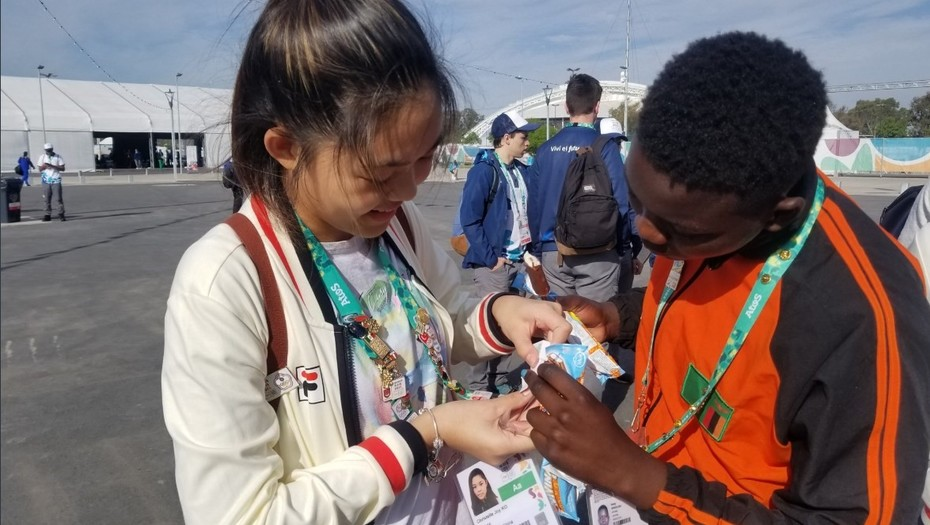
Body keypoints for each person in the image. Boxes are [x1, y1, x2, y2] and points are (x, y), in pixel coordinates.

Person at [161, 1, 570, 524]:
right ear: (286, 147)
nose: (409, 188)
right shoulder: (225, 281)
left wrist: (500, 314)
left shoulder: (395, 224)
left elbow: (443, 323)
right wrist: (423, 435)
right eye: (380, 171)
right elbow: (241, 515)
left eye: (424, 157)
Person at [521, 32, 930, 523]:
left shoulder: (867, 320)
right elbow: (698, 303)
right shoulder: (707, 213)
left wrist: (634, 475)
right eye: (637, 199)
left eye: (679, 231)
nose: (646, 232)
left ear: (777, 216)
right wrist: (617, 315)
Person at [528, 74, 633, 302]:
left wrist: (538, 249)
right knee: (597, 319)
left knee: (560, 318)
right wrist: (623, 246)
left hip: (553, 250)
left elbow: (534, 207)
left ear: (566, 106)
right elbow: (621, 203)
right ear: (597, 106)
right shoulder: (605, 148)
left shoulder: (545, 150)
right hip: (599, 252)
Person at [458, 110, 540, 396]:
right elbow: (469, 219)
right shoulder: (485, 171)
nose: (527, 142)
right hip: (494, 264)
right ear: (506, 138)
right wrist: (491, 258)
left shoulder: (520, 171)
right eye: (523, 137)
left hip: (519, 261)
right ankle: (478, 386)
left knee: (509, 326)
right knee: (488, 325)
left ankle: (499, 377)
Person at [598, 117, 642, 293]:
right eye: (611, 143)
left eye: (617, 143)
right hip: (606, 252)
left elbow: (632, 213)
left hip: (620, 251)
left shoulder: (627, 171)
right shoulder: (623, 171)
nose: (615, 148)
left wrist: (635, 251)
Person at [38, 143, 66, 222]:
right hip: (46, 180)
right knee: (47, 198)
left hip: (56, 180)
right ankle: (47, 214)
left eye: (50, 150)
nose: (48, 152)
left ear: (52, 149)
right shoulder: (42, 157)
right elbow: (40, 169)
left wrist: (53, 166)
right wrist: (44, 166)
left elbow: (63, 168)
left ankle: (61, 214)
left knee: (58, 198)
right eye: (47, 150)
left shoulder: (58, 157)